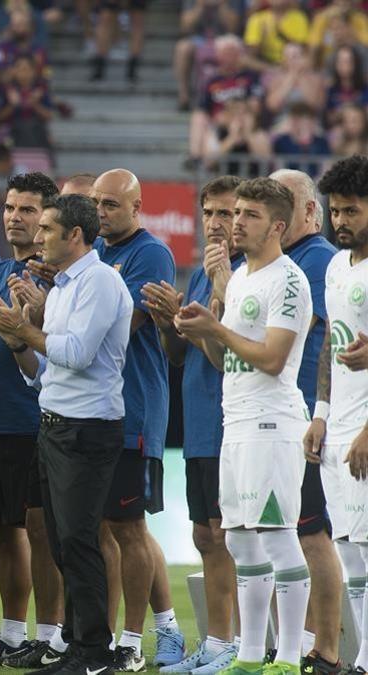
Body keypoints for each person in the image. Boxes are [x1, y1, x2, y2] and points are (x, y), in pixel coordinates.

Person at [0, 193, 134, 675]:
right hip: (54, 424)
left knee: (79, 541)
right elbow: (43, 371)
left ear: (75, 236)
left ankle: (94, 653)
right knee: (64, 543)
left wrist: (24, 332)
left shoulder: (100, 281)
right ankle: (77, 647)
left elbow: (78, 353)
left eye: (46, 228)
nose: (37, 236)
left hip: (87, 429)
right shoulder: (62, 286)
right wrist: (13, 340)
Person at [175, 177, 314, 675]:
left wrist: (216, 328)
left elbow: (274, 359)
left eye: (249, 215)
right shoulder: (242, 280)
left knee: (276, 537)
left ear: (278, 225)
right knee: (239, 541)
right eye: (235, 213)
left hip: (272, 423)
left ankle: (292, 656)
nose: (236, 222)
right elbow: (222, 356)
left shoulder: (288, 279)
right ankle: (252, 654)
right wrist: (201, 331)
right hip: (234, 424)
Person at [0, 172, 70, 668]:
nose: (14, 217)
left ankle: (51, 634)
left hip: (40, 418)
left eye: (27, 210)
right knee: (2, 530)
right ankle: (12, 634)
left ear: (49, 218)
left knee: (41, 528)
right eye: (9, 208)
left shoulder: (58, 277)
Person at [145, 176, 243, 675]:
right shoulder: (205, 273)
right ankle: (217, 640)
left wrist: (204, 322)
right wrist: (170, 323)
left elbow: (232, 357)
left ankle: (235, 645)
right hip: (203, 423)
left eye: (228, 213)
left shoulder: (245, 275)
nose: (218, 223)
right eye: (210, 213)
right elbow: (180, 356)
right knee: (205, 536)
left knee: (228, 537)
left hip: (235, 425)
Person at [90, 169, 183, 671]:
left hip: (135, 411)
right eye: (97, 204)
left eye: (111, 204)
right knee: (107, 528)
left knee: (128, 527)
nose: (101, 212)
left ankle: (132, 640)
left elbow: (124, 327)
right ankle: (105, 637)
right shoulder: (97, 253)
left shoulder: (150, 254)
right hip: (99, 410)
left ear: (137, 206)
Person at [270, 168, 342, 672]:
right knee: (280, 534)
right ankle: (290, 645)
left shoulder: (317, 260)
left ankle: (324, 649)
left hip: (304, 418)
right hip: (283, 417)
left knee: (311, 533)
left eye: (284, 204)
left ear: (312, 212)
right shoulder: (283, 261)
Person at [310, 154, 368, 674]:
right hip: (339, 425)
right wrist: (321, 413)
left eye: (351, 211)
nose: (340, 221)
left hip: (367, 428)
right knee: (349, 548)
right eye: (336, 211)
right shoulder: (333, 265)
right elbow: (332, 338)